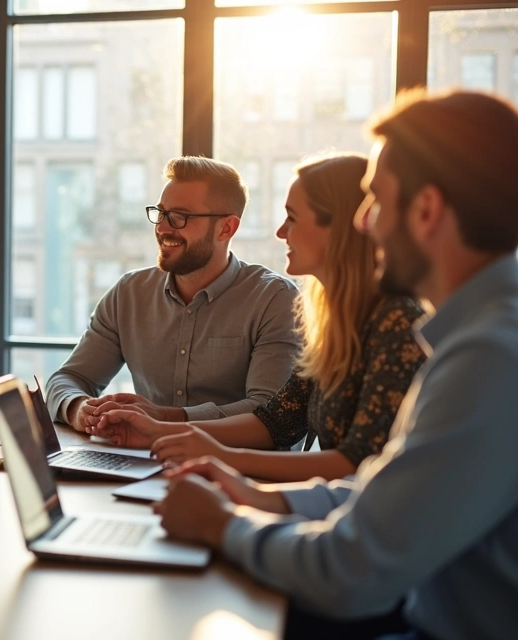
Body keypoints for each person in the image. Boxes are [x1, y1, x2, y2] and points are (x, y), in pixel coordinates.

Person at [152, 90, 518, 640]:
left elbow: (350, 572)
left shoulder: (491, 355)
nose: (365, 224)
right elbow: (384, 490)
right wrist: (261, 497)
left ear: (426, 211)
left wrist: (221, 524)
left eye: (376, 202)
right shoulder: (478, 336)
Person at [89, 154, 425, 482]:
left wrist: (217, 462)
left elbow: (360, 464)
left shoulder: (396, 322)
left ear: (338, 228)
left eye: (292, 218)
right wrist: (158, 431)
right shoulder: (338, 321)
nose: (281, 232)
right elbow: (277, 419)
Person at [45, 157, 301, 436]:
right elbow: (68, 379)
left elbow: (271, 412)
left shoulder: (275, 300)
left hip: (241, 471)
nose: (163, 228)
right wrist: (81, 410)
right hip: (144, 463)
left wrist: (165, 419)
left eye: (179, 217)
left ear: (226, 228)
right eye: (161, 213)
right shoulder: (129, 294)